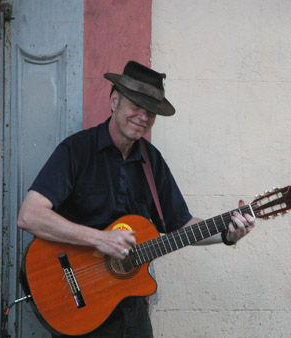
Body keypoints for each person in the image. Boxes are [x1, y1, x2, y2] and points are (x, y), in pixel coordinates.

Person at [17, 60, 255, 338]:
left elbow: (181, 224)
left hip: (130, 308)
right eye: (136, 105)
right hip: (79, 305)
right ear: (114, 100)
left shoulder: (151, 161)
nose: (143, 116)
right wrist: (99, 239)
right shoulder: (76, 151)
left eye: (151, 110)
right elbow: (29, 215)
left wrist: (228, 235)